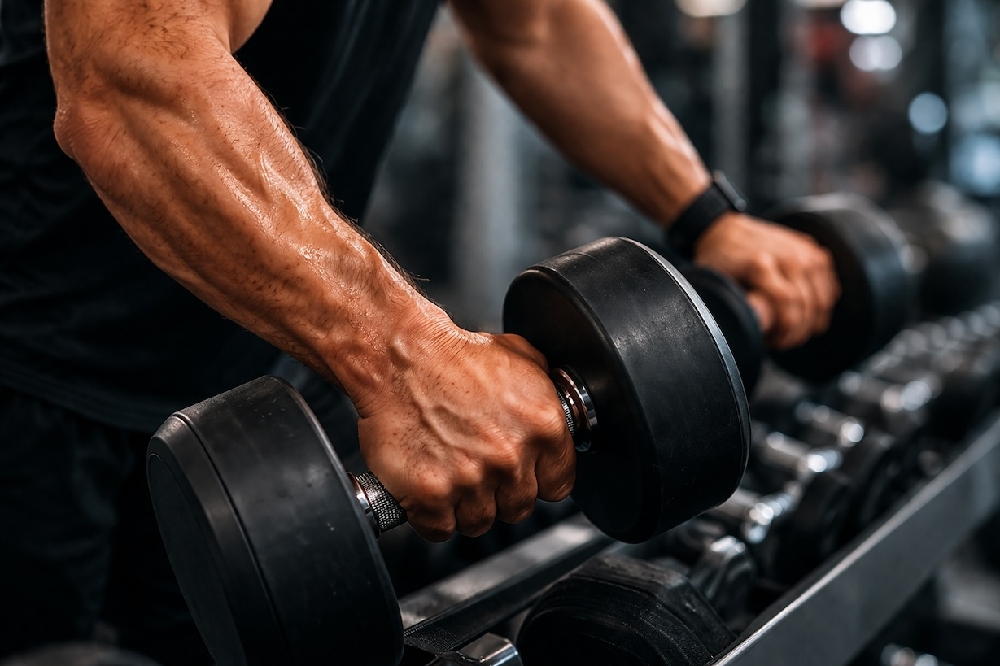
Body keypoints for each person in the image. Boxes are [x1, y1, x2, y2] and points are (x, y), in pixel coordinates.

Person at [0, 0, 838, 663]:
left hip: (256, 388)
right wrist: (407, 360)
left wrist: (706, 217)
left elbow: (537, 25)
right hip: (32, 375)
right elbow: (131, 77)